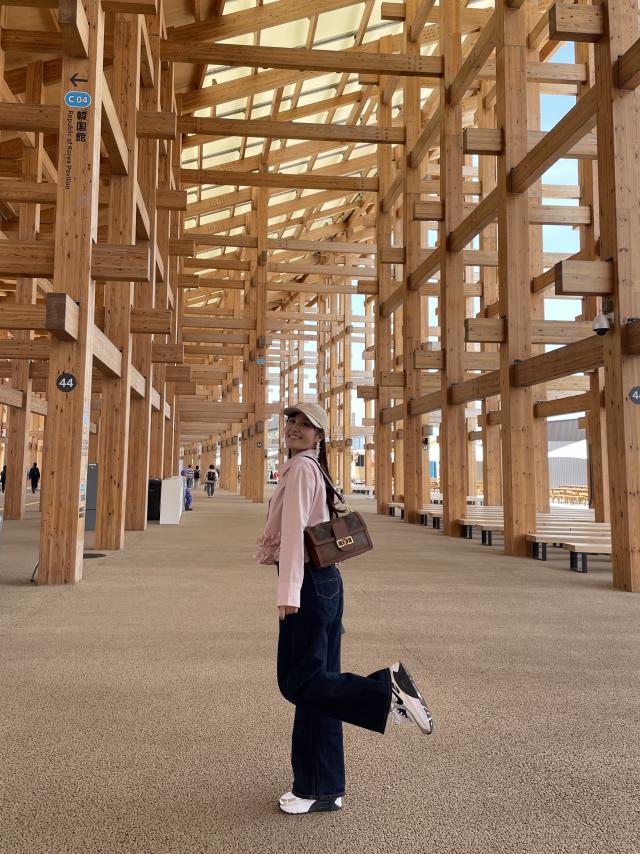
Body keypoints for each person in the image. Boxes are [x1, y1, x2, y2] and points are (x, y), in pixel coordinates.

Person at [255, 402, 433, 816]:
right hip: (325, 583)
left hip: (309, 583)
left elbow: (294, 533)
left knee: (297, 682)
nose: (295, 428)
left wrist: (288, 591)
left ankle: (385, 690)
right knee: (320, 687)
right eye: (292, 421)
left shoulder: (302, 469)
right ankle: (321, 787)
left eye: (306, 424)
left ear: (319, 436)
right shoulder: (309, 467)